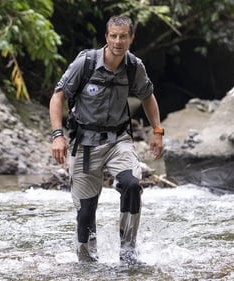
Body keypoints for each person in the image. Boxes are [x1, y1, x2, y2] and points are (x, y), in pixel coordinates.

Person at [49, 15, 164, 265]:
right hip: (85, 143)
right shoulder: (86, 63)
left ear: (131, 38)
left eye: (123, 36)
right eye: (113, 35)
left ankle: (128, 252)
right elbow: (58, 96)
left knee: (132, 185)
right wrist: (58, 135)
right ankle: (88, 264)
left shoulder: (134, 66)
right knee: (86, 212)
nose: (118, 41)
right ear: (106, 37)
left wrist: (157, 131)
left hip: (118, 141)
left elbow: (147, 96)